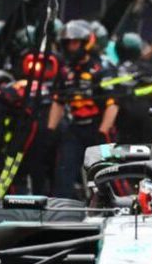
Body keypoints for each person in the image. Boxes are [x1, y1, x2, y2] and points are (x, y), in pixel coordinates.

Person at [47, 20, 118, 199]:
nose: (71, 47)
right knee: (63, 171)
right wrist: (50, 130)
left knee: (105, 174)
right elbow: (58, 101)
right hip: (75, 128)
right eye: (67, 43)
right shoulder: (65, 71)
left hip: (98, 129)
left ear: (86, 42)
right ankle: (61, 207)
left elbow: (112, 103)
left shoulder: (102, 68)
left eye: (75, 42)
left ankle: (113, 205)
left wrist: (103, 131)